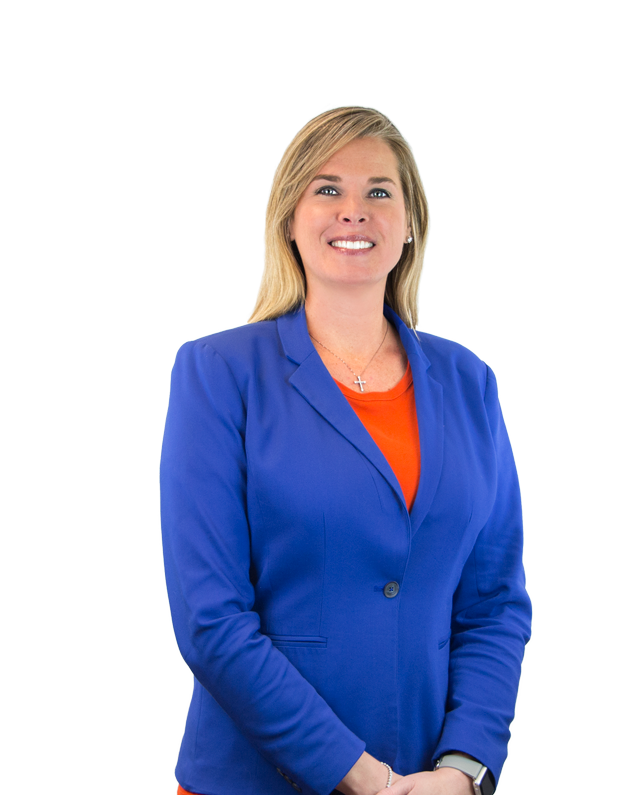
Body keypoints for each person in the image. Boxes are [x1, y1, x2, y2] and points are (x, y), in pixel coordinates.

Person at [159, 105, 532, 795]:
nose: (353, 210)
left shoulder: (469, 382)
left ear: (410, 222)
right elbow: (210, 618)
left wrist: (463, 767)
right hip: (254, 781)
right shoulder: (219, 373)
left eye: (379, 190)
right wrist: (357, 773)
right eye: (327, 188)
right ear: (288, 219)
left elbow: (495, 605)